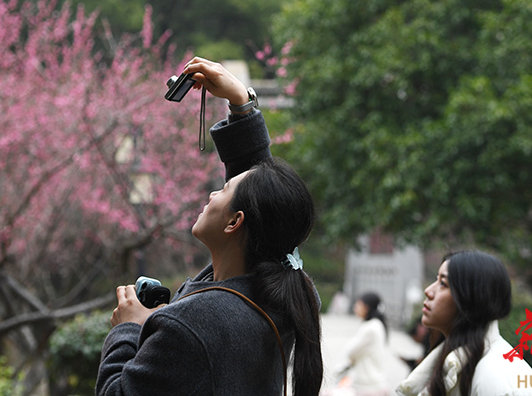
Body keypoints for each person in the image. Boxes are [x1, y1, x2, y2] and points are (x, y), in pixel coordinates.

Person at [96, 57, 324, 396]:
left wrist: (128, 329)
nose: (214, 191)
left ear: (235, 222)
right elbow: (266, 201)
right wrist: (241, 107)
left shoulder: (193, 324)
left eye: (225, 190)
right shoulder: (282, 296)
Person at [395, 251, 532, 396]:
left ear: (472, 298)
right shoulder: (450, 360)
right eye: (436, 280)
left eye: (443, 283)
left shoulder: (499, 382)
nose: (428, 291)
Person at [325, 292, 391, 396]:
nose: (356, 307)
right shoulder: (377, 324)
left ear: (367, 307)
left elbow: (350, 351)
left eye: (359, 304)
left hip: (368, 386)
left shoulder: (371, 327)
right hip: (373, 384)